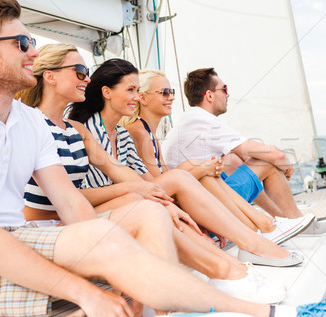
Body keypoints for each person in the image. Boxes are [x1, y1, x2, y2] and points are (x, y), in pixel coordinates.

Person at [0, 0, 326, 317]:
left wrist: (115, 255)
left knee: (147, 212)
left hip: (18, 241)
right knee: (117, 228)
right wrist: (88, 288)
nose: (31, 49)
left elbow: (72, 205)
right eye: (21, 40)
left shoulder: (26, 122)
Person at [15, 43, 285, 304]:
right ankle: (227, 265)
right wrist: (139, 192)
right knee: (147, 198)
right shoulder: (30, 124)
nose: (87, 79)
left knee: (157, 195)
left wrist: (157, 196)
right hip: (48, 226)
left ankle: (232, 263)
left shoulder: (76, 129)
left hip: (76, 216)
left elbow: (117, 169)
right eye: (80, 72)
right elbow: (65, 197)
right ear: (49, 76)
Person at [67, 59, 306, 267]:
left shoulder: (122, 136)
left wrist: (182, 206)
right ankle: (259, 232)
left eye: (137, 90)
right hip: (103, 210)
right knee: (194, 171)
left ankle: (259, 230)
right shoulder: (86, 131)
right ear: (107, 92)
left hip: (133, 199)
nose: (136, 97)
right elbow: (82, 194)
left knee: (198, 171)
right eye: (131, 90)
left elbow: (152, 184)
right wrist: (195, 173)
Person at [123, 69, 313, 244]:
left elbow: (165, 177)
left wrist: (202, 167)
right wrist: (201, 168)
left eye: (172, 92)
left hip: (192, 197)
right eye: (165, 92)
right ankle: (277, 224)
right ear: (143, 98)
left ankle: (273, 223)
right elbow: (159, 186)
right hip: (188, 203)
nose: (171, 97)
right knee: (250, 165)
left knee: (226, 162)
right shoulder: (141, 132)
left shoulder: (151, 133)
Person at [162, 68, 326, 235]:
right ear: (210, 95)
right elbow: (273, 155)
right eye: (224, 89)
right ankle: (299, 224)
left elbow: (243, 153)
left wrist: (277, 160)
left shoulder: (189, 119)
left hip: (194, 202)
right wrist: (285, 165)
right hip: (205, 211)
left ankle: (281, 221)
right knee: (266, 162)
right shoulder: (205, 122)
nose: (227, 95)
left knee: (234, 160)